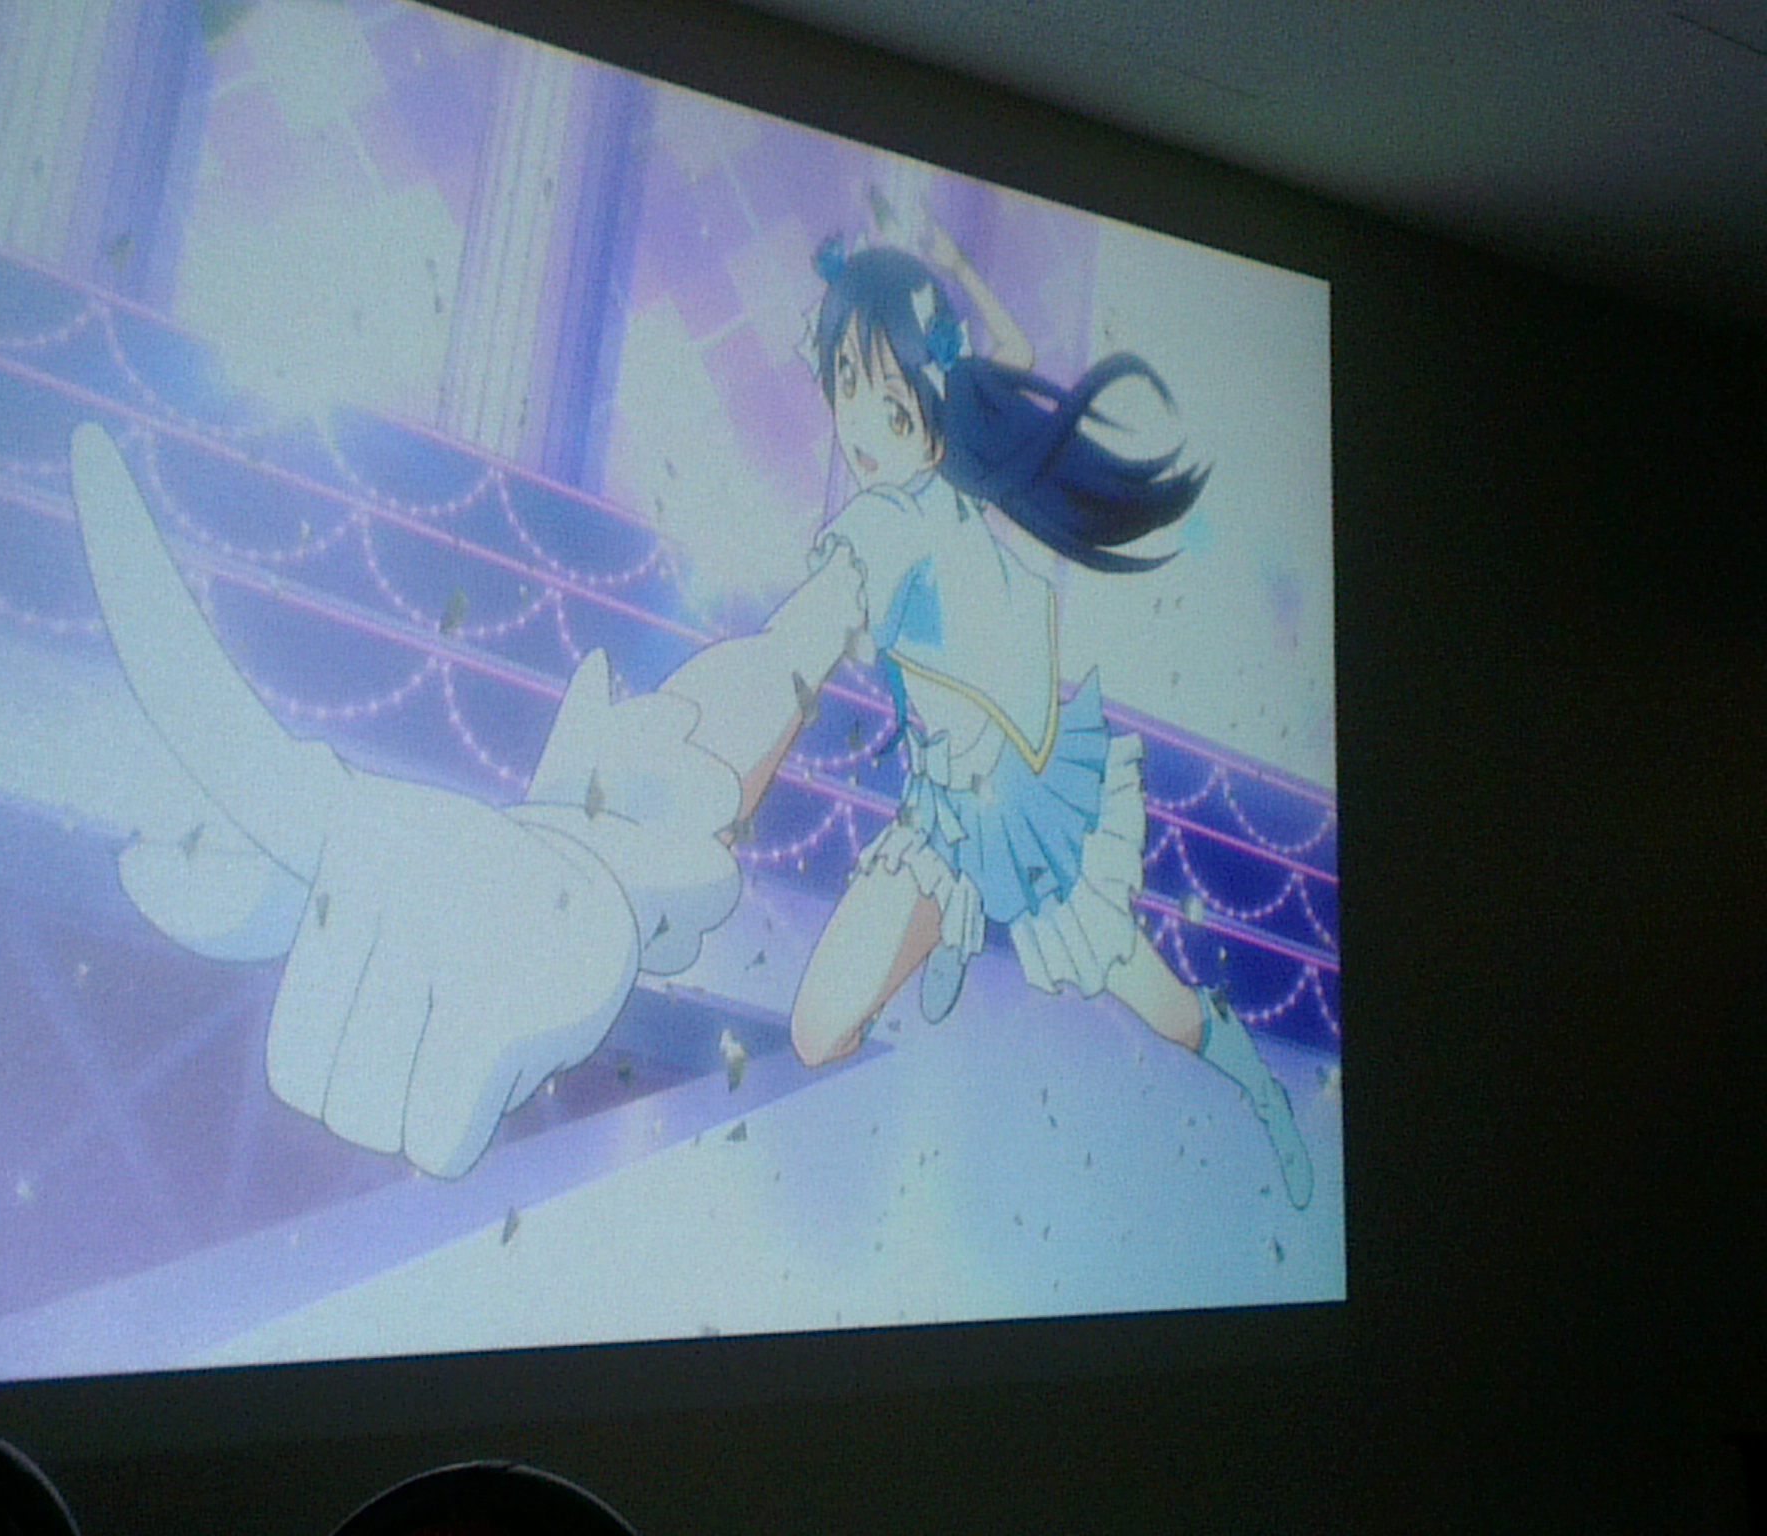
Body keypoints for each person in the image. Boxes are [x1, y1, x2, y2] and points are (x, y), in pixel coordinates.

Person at [66, 225, 1309, 1207]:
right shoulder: (880, 533)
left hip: (1039, 809)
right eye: (846, 394)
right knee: (818, 1036)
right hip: (944, 820)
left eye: (891, 403)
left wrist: (957, 272)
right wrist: (610, 837)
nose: (864, 432)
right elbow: (786, 660)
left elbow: (1004, 354)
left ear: (938, 394)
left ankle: (1251, 1088)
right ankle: (935, 937)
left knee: (1152, 996)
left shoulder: (944, 496)